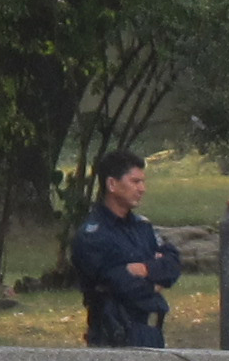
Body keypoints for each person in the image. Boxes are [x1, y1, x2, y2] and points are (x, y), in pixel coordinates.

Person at [71, 149, 179, 349]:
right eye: (135, 182)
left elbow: (172, 263)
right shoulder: (93, 235)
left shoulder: (141, 226)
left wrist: (145, 270)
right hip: (114, 335)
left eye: (143, 182)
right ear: (112, 184)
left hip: (151, 333)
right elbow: (121, 284)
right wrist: (154, 283)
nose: (142, 188)